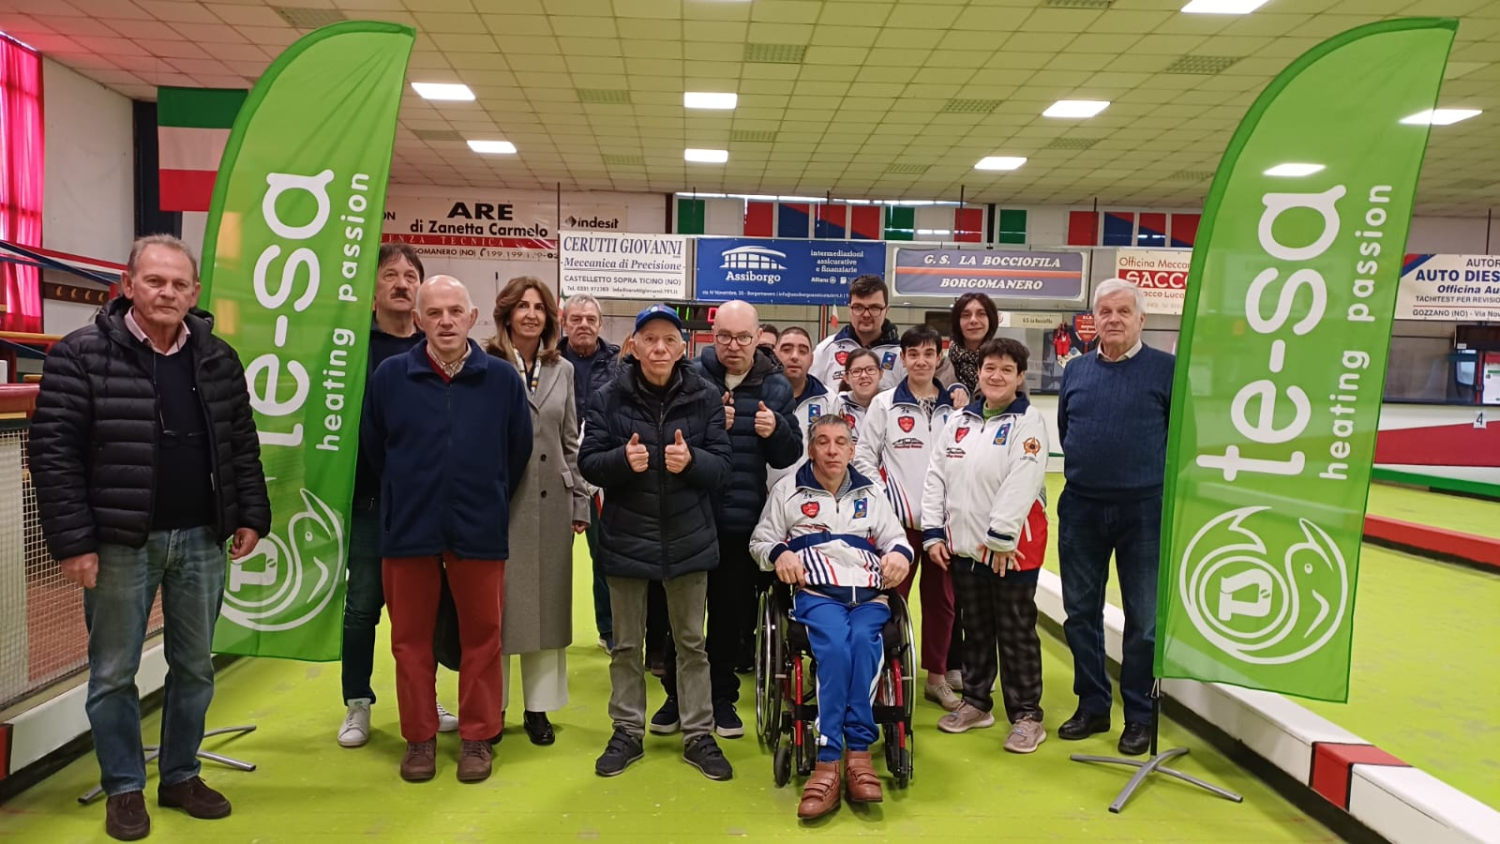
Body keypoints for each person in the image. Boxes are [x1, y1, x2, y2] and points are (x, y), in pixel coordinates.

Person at [30, 234, 271, 841]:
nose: (167, 292)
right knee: (114, 672)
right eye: (155, 281)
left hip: (202, 540)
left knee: (195, 667)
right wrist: (73, 543)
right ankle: (124, 786)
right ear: (128, 284)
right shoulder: (80, 355)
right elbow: (53, 455)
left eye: (179, 284)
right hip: (118, 544)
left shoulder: (217, 357)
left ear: (194, 291)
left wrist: (250, 513)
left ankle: (182, 775)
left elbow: (241, 444)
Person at [361, 275, 533, 784]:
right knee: (409, 640)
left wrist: (486, 495)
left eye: (455, 311)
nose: (446, 321)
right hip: (408, 527)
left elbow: (517, 450)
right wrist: (407, 494)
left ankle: (478, 736)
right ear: (418, 320)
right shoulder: (391, 377)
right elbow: (375, 448)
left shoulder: (502, 380)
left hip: (479, 527)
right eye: (434, 313)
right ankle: (420, 738)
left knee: (483, 637)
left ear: (472, 317)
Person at [580, 304, 735, 782]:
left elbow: (723, 467)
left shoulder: (705, 397)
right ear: (634, 346)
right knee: (626, 645)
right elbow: (588, 462)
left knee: (691, 644)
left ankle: (698, 733)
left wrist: (692, 462)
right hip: (626, 538)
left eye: (669, 339)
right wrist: (621, 462)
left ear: (683, 347)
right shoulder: (607, 397)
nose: (660, 348)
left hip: (689, 538)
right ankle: (626, 730)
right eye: (650, 339)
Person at [752, 414, 912, 820]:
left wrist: (898, 554)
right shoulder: (788, 489)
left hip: (869, 596)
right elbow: (761, 540)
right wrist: (779, 554)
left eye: (841, 442)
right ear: (811, 448)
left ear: (852, 450)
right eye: (823, 441)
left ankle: (858, 753)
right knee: (837, 649)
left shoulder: (871, 491)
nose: (832, 450)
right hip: (818, 595)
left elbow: (896, 537)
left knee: (863, 644)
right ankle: (829, 758)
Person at [654, 300, 801, 739]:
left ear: (758, 339)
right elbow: (666, 435)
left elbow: (788, 454)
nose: (732, 346)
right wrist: (709, 423)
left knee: (728, 617)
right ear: (711, 336)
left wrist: (775, 430)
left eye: (742, 338)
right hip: (689, 515)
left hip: (740, 520)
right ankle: (676, 696)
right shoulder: (689, 376)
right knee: (681, 616)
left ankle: (722, 698)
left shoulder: (776, 385)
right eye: (723, 337)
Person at [338, 243, 461, 748]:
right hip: (371, 502)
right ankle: (357, 701)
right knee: (362, 607)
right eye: (390, 274)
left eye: (411, 275)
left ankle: (424, 698)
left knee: (424, 611)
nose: (402, 282)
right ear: (372, 289)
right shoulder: (350, 349)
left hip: (425, 506)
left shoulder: (435, 348)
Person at [1055, 278, 1174, 757]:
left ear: (1141, 319)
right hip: (1081, 506)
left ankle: (1139, 716)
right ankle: (1093, 706)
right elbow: (1067, 428)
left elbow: (1179, 439)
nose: (1114, 319)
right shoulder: (1076, 370)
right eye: (1105, 311)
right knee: (1080, 614)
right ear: (1093, 320)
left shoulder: (1166, 370)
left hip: (1144, 511)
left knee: (1143, 621)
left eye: (1124, 311)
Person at [922, 338, 1050, 754]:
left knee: (1015, 632)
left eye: (1006, 370)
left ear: (1019, 377)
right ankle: (977, 702)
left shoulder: (1028, 422)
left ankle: (1027, 716)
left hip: (1012, 550)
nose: (996, 376)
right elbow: (936, 476)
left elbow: (1023, 480)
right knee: (975, 630)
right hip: (965, 547)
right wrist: (933, 532)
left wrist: (1001, 537)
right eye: (989, 368)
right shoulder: (960, 420)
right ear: (978, 373)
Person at [488, 277, 590, 746]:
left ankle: (538, 708)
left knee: (548, 610)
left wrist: (580, 500)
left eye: (539, 307)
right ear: (507, 314)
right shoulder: (485, 362)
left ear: (549, 318)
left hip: (552, 504)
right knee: (497, 611)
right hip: (500, 502)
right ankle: (491, 708)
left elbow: (570, 440)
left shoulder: (562, 369)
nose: (531, 314)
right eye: (522, 306)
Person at [854, 325, 960, 711]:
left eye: (928, 353)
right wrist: (887, 503)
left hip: (942, 526)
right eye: (913, 354)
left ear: (938, 357)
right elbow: (864, 458)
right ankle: (887, 675)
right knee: (890, 600)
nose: (921, 361)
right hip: (897, 528)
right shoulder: (884, 404)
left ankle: (936, 678)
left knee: (942, 602)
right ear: (902, 358)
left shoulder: (955, 409)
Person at [559, 293, 621, 651]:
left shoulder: (620, 364)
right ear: (564, 323)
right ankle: (548, 630)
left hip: (602, 475)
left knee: (606, 555)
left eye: (590, 319)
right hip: (556, 474)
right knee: (552, 559)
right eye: (576, 318)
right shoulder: (548, 360)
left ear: (600, 324)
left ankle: (609, 630)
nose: (583, 324)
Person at [766, 326, 832, 492]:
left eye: (802, 351)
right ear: (775, 354)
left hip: (814, 497)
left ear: (811, 359)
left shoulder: (829, 400)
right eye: (787, 350)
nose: (794, 356)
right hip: (765, 497)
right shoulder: (759, 395)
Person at [811, 275, 904, 392]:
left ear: (886, 310)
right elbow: (810, 393)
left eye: (874, 307)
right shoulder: (826, 349)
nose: (866, 315)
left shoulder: (902, 355)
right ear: (849, 309)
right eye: (858, 307)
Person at [936, 292, 999, 405]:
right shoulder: (938, 368)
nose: (973, 320)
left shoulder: (1008, 365)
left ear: (991, 319)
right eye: (966, 315)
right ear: (957, 322)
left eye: (981, 314)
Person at [834, 347, 883, 440]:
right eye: (856, 371)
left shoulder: (889, 404)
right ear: (846, 378)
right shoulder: (837, 404)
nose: (864, 375)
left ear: (880, 374)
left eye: (870, 369)